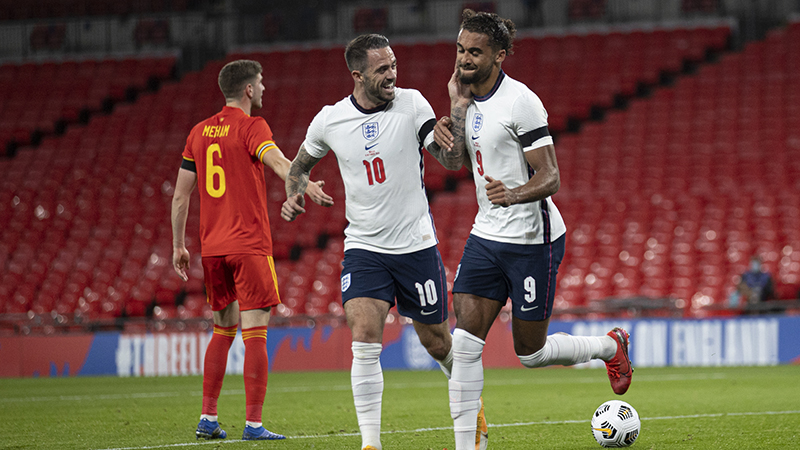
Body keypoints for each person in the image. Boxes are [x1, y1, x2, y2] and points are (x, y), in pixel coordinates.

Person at [432, 10, 634, 450]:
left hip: (532, 240)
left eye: (475, 52)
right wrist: (454, 111)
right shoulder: (467, 98)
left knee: (531, 354)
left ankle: (608, 346)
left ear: (500, 56)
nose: (464, 59)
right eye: (461, 50)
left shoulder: (521, 102)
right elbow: (452, 164)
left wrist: (514, 194)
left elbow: (551, 178)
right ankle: (468, 445)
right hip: (486, 236)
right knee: (464, 343)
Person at [281, 34, 487, 450]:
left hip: (415, 246)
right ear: (357, 75)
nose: (392, 74)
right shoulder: (329, 120)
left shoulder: (413, 105)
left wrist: (458, 115)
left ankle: (471, 399)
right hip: (364, 248)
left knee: (436, 341)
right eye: (382, 69)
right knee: (364, 331)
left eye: (393, 65)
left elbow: (450, 160)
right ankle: (370, 444)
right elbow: (299, 165)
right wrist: (295, 192)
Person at [171, 59, 333, 441]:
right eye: (260, 83)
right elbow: (276, 160)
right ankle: (254, 425)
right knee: (255, 332)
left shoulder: (198, 133)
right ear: (247, 89)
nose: (264, 88)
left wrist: (179, 244)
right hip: (247, 244)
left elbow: (181, 196)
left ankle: (208, 418)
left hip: (212, 248)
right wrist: (303, 183)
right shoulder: (251, 126)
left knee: (222, 330)